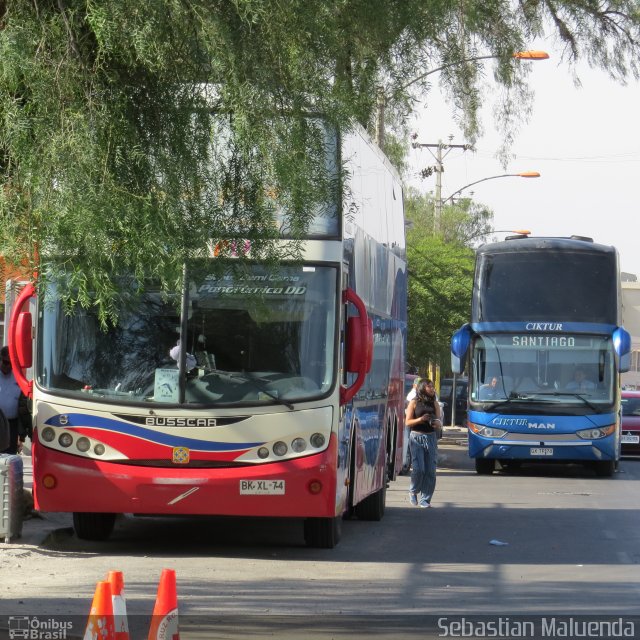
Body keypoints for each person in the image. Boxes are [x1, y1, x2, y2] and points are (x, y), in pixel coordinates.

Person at [405, 379, 442, 508]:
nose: (432, 388)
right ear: (422, 388)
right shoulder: (414, 403)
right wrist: (421, 419)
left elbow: (439, 422)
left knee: (430, 471)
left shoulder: (435, 404)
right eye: (429, 386)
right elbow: (407, 422)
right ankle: (413, 490)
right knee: (419, 468)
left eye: (433, 386)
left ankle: (425, 500)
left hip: (431, 437)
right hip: (416, 437)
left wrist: (436, 423)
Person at [0, 346, 23, 455]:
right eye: (5, 362)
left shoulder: (18, 377)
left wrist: (21, 435)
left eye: (11, 363)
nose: (8, 366)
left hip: (12, 425)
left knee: (9, 459)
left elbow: (23, 404)